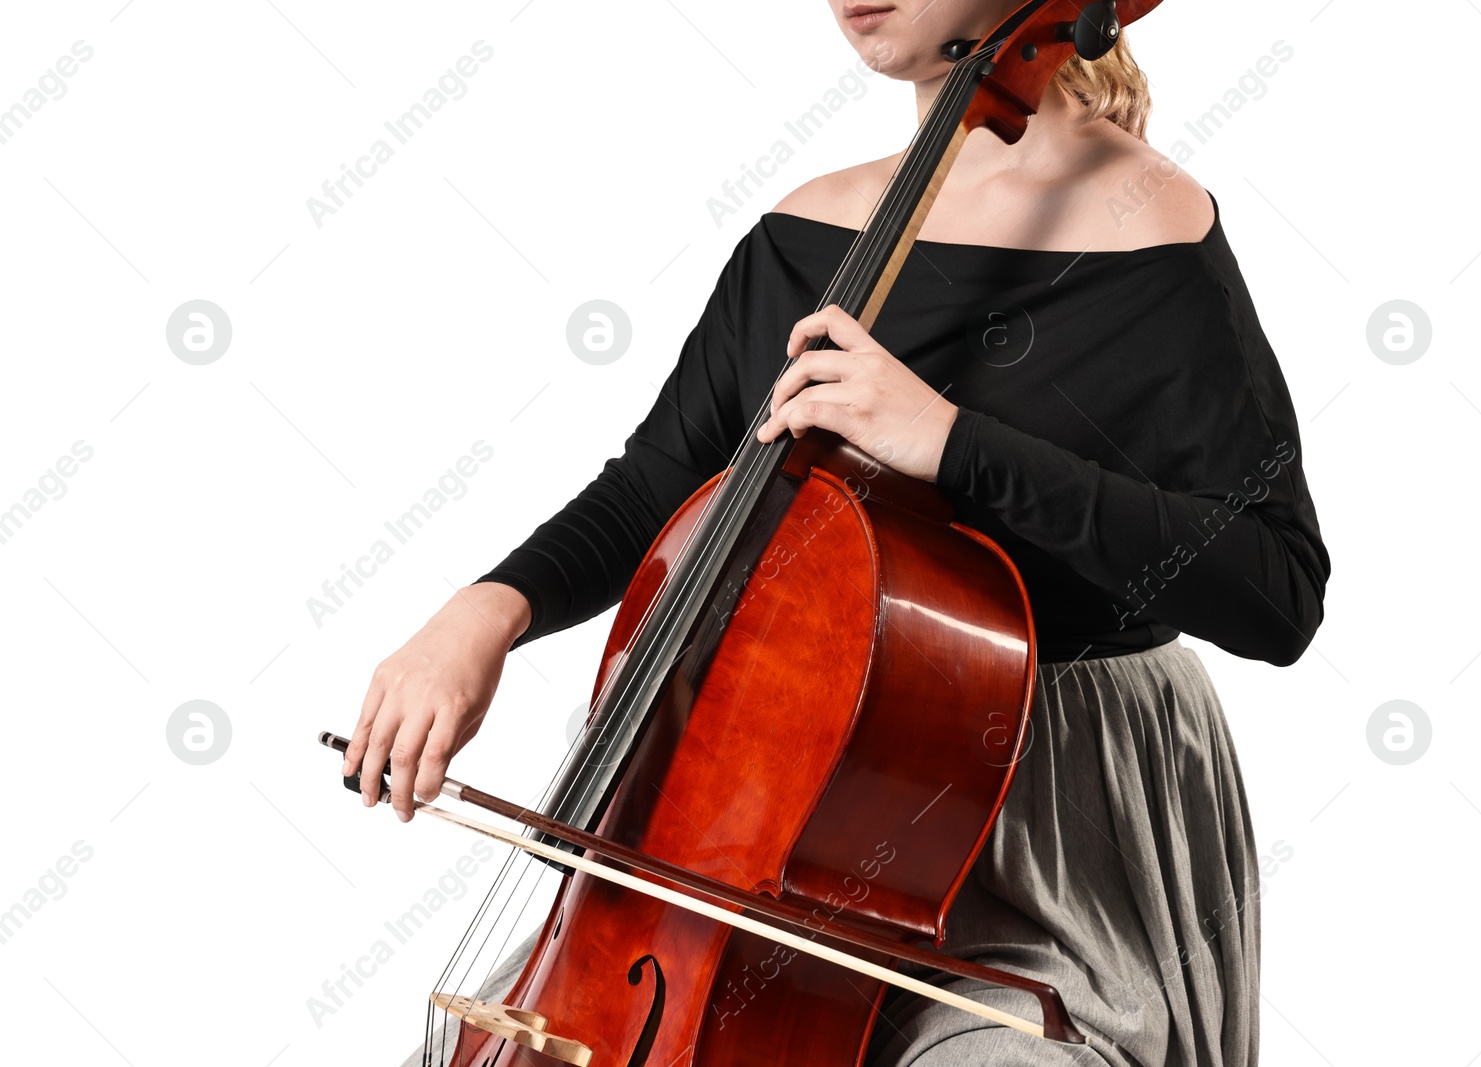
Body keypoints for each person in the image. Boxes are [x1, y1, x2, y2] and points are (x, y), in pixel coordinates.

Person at [349, 2, 1330, 1065]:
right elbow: (659, 487)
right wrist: (486, 610)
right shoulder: (804, 234)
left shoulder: (1149, 228)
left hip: (1042, 845)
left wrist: (949, 440)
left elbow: (1273, 587)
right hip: (758, 817)